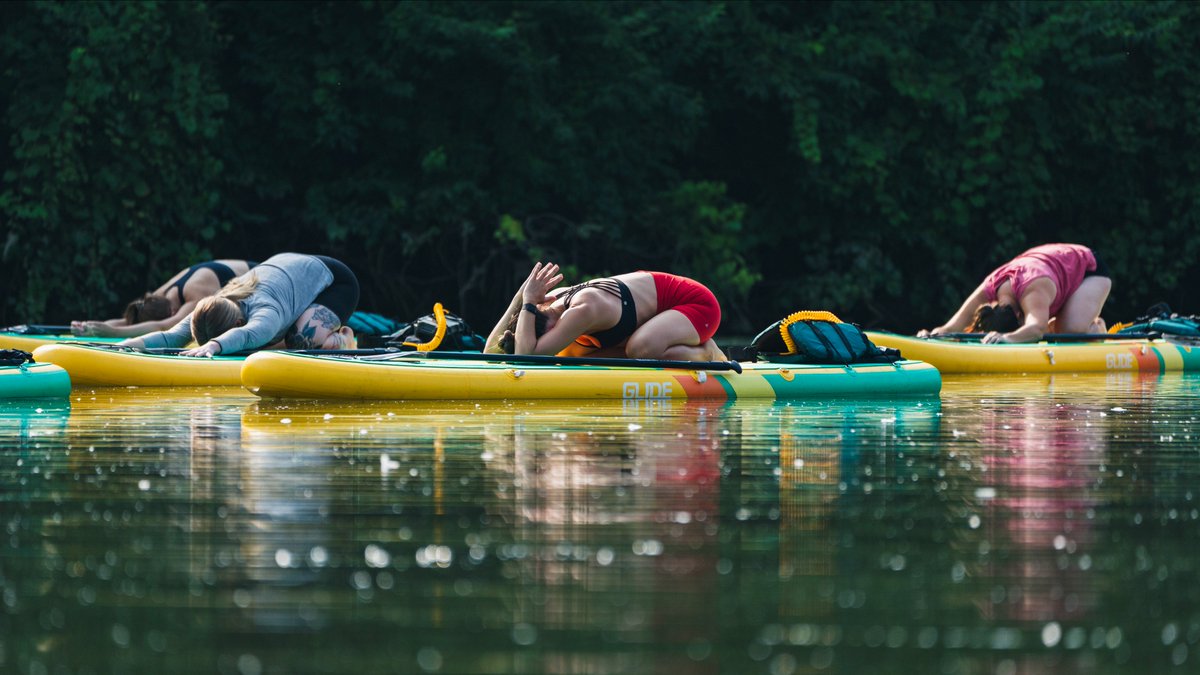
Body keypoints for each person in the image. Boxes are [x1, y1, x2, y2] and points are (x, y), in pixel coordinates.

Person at [119, 253, 360, 356]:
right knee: (272, 343)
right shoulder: (214, 304)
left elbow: (245, 336)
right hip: (290, 269)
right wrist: (126, 345)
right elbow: (171, 336)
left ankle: (344, 340)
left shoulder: (265, 313)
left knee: (299, 339)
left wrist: (213, 347)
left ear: (237, 322)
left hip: (334, 282)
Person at [485, 262, 726, 361]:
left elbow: (528, 358)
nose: (553, 339)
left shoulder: (583, 309)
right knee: (573, 356)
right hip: (651, 310)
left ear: (548, 322)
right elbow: (490, 351)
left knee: (640, 350)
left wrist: (528, 302)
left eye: (547, 336)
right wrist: (520, 296)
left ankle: (707, 352)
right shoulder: (549, 304)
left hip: (695, 304)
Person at [919, 243, 1112, 344]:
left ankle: (1096, 327)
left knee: (1070, 331)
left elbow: (1036, 328)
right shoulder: (988, 289)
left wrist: (1007, 338)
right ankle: (1060, 324)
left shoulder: (1032, 290)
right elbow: (952, 326)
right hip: (1053, 266)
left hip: (1090, 271)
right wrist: (931, 336)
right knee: (1052, 330)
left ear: (1019, 316)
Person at [72, 260, 258, 338]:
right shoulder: (156, 298)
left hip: (262, 277)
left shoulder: (197, 292)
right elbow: (127, 321)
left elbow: (166, 326)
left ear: (171, 311)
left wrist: (112, 333)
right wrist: (92, 326)